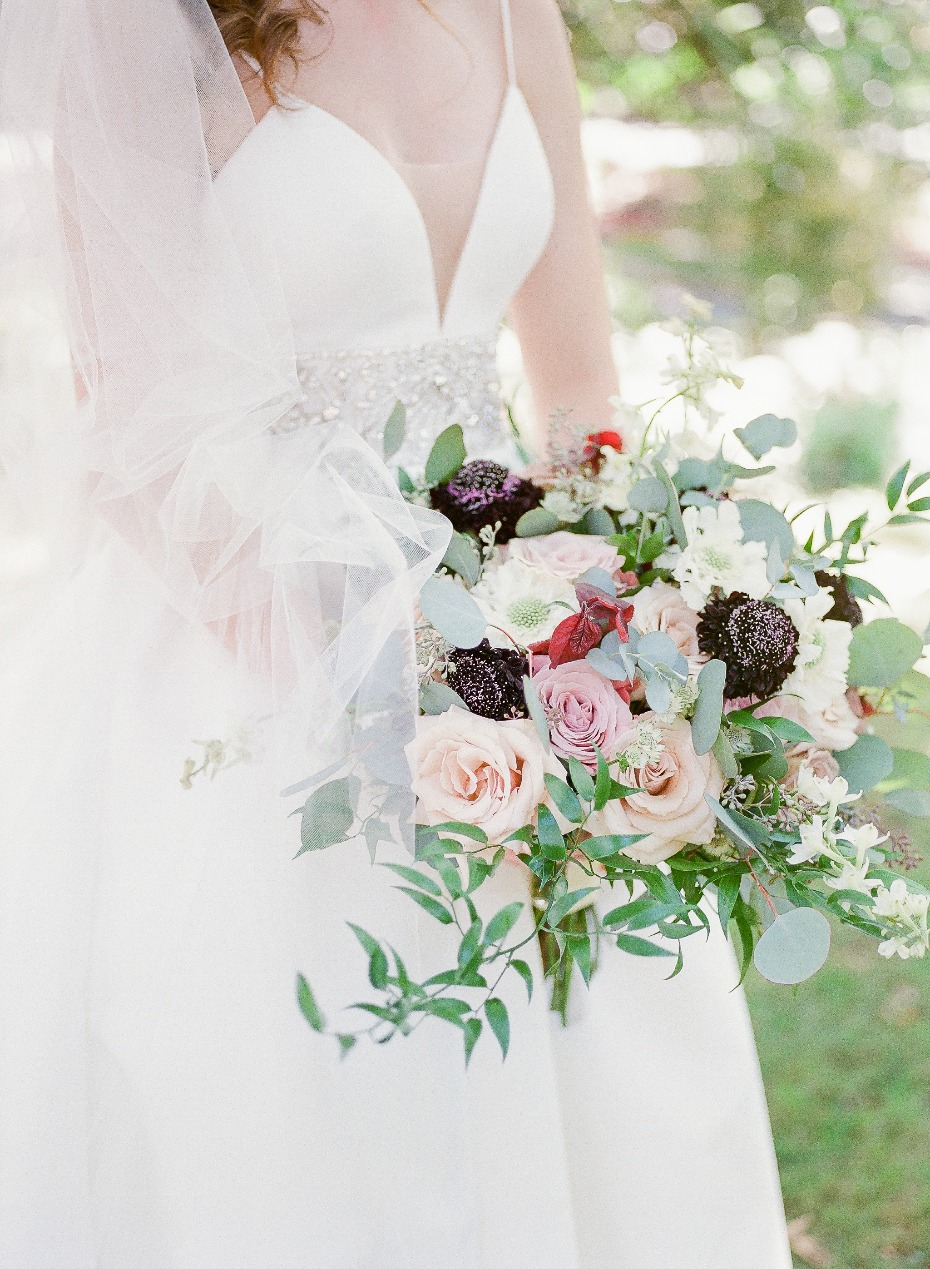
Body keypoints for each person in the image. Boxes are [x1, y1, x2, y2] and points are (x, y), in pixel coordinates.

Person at [0, 1, 793, 1264]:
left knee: (603, 1055)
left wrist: (624, 611)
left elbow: (579, 391)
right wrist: (382, 676)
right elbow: (131, 435)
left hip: (528, 615)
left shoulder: (515, 12)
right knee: (314, 1089)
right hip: (249, 630)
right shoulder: (141, 27)